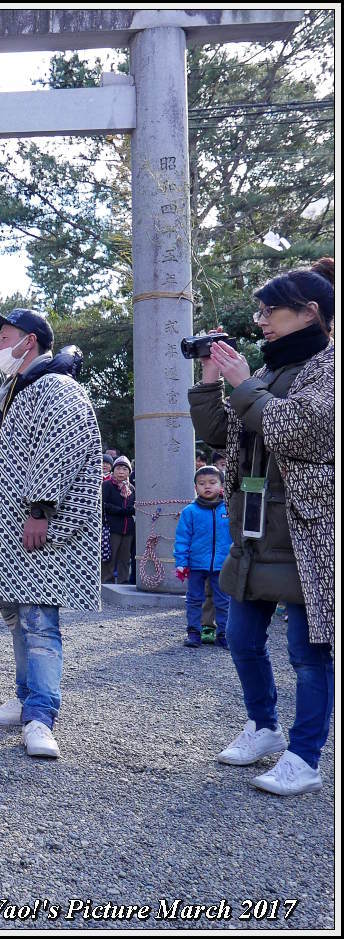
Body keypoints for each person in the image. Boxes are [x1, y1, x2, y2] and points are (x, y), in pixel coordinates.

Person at [189, 258, 334, 796]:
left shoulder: (330, 365)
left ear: (309, 313)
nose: (262, 319)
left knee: (308, 651)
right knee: (241, 638)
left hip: (308, 532)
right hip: (252, 530)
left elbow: (297, 431)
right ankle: (264, 725)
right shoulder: (269, 371)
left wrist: (243, 382)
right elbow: (223, 436)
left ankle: (305, 755)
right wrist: (209, 386)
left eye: (271, 309)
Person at [0, 307, 102, 760]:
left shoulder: (57, 387)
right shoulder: (13, 391)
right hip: (8, 527)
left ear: (28, 341)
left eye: (3, 337)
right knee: (17, 617)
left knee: (37, 621)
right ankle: (25, 698)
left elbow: (62, 448)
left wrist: (41, 509)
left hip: (35, 525)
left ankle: (42, 715)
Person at [174, 467, 232, 649]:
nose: (207, 487)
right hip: (196, 563)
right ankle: (193, 632)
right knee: (194, 599)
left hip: (222, 564)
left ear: (222, 485)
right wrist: (181, 562)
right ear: (195, 487)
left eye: (212, 482)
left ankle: (224, 633)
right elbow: (182, 539)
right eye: (202, 483)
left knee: (224, 601)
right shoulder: (189, 511)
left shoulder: (229, 510)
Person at [101, 455, 136, 584]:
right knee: (109, 557)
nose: (121, 472)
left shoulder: (131, 488)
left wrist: (131, 510)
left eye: (124, 469)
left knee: (125, 558)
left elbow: (134, 506)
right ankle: (106, 582)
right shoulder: (107, 485)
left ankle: (123, 582)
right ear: (113, 470)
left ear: (129, 472)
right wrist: (121, 511)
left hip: (128, 528)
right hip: (112, 527)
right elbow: (103, 504)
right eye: (118, 469)